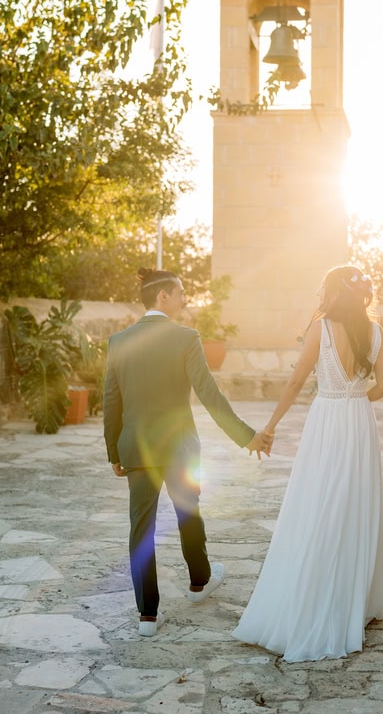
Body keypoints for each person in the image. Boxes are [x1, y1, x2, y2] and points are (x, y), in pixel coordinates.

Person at [232, 264, 383, 662]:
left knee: (318, 504)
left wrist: (269, 426)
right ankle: (352, 599)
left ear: (335, 292)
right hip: (358, 423)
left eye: (324, 287)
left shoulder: (319, 329)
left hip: (327, 422)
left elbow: (295, 381)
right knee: (354, 505)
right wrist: (354, 402)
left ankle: (315, 596)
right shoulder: (377, 332)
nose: (320, 293)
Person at [103, 267, 270, 637]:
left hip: (136, 450)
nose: (185, 299)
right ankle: (199, 583)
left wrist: (114, 451)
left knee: (140, 530)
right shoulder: (186, 338)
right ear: (163, 297)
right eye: (180, 293)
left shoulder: (119, 342)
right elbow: (210, 395)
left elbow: (110, 403)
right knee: (188, 514)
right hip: (178, 448)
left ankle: (148, 615)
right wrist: (247, 436)